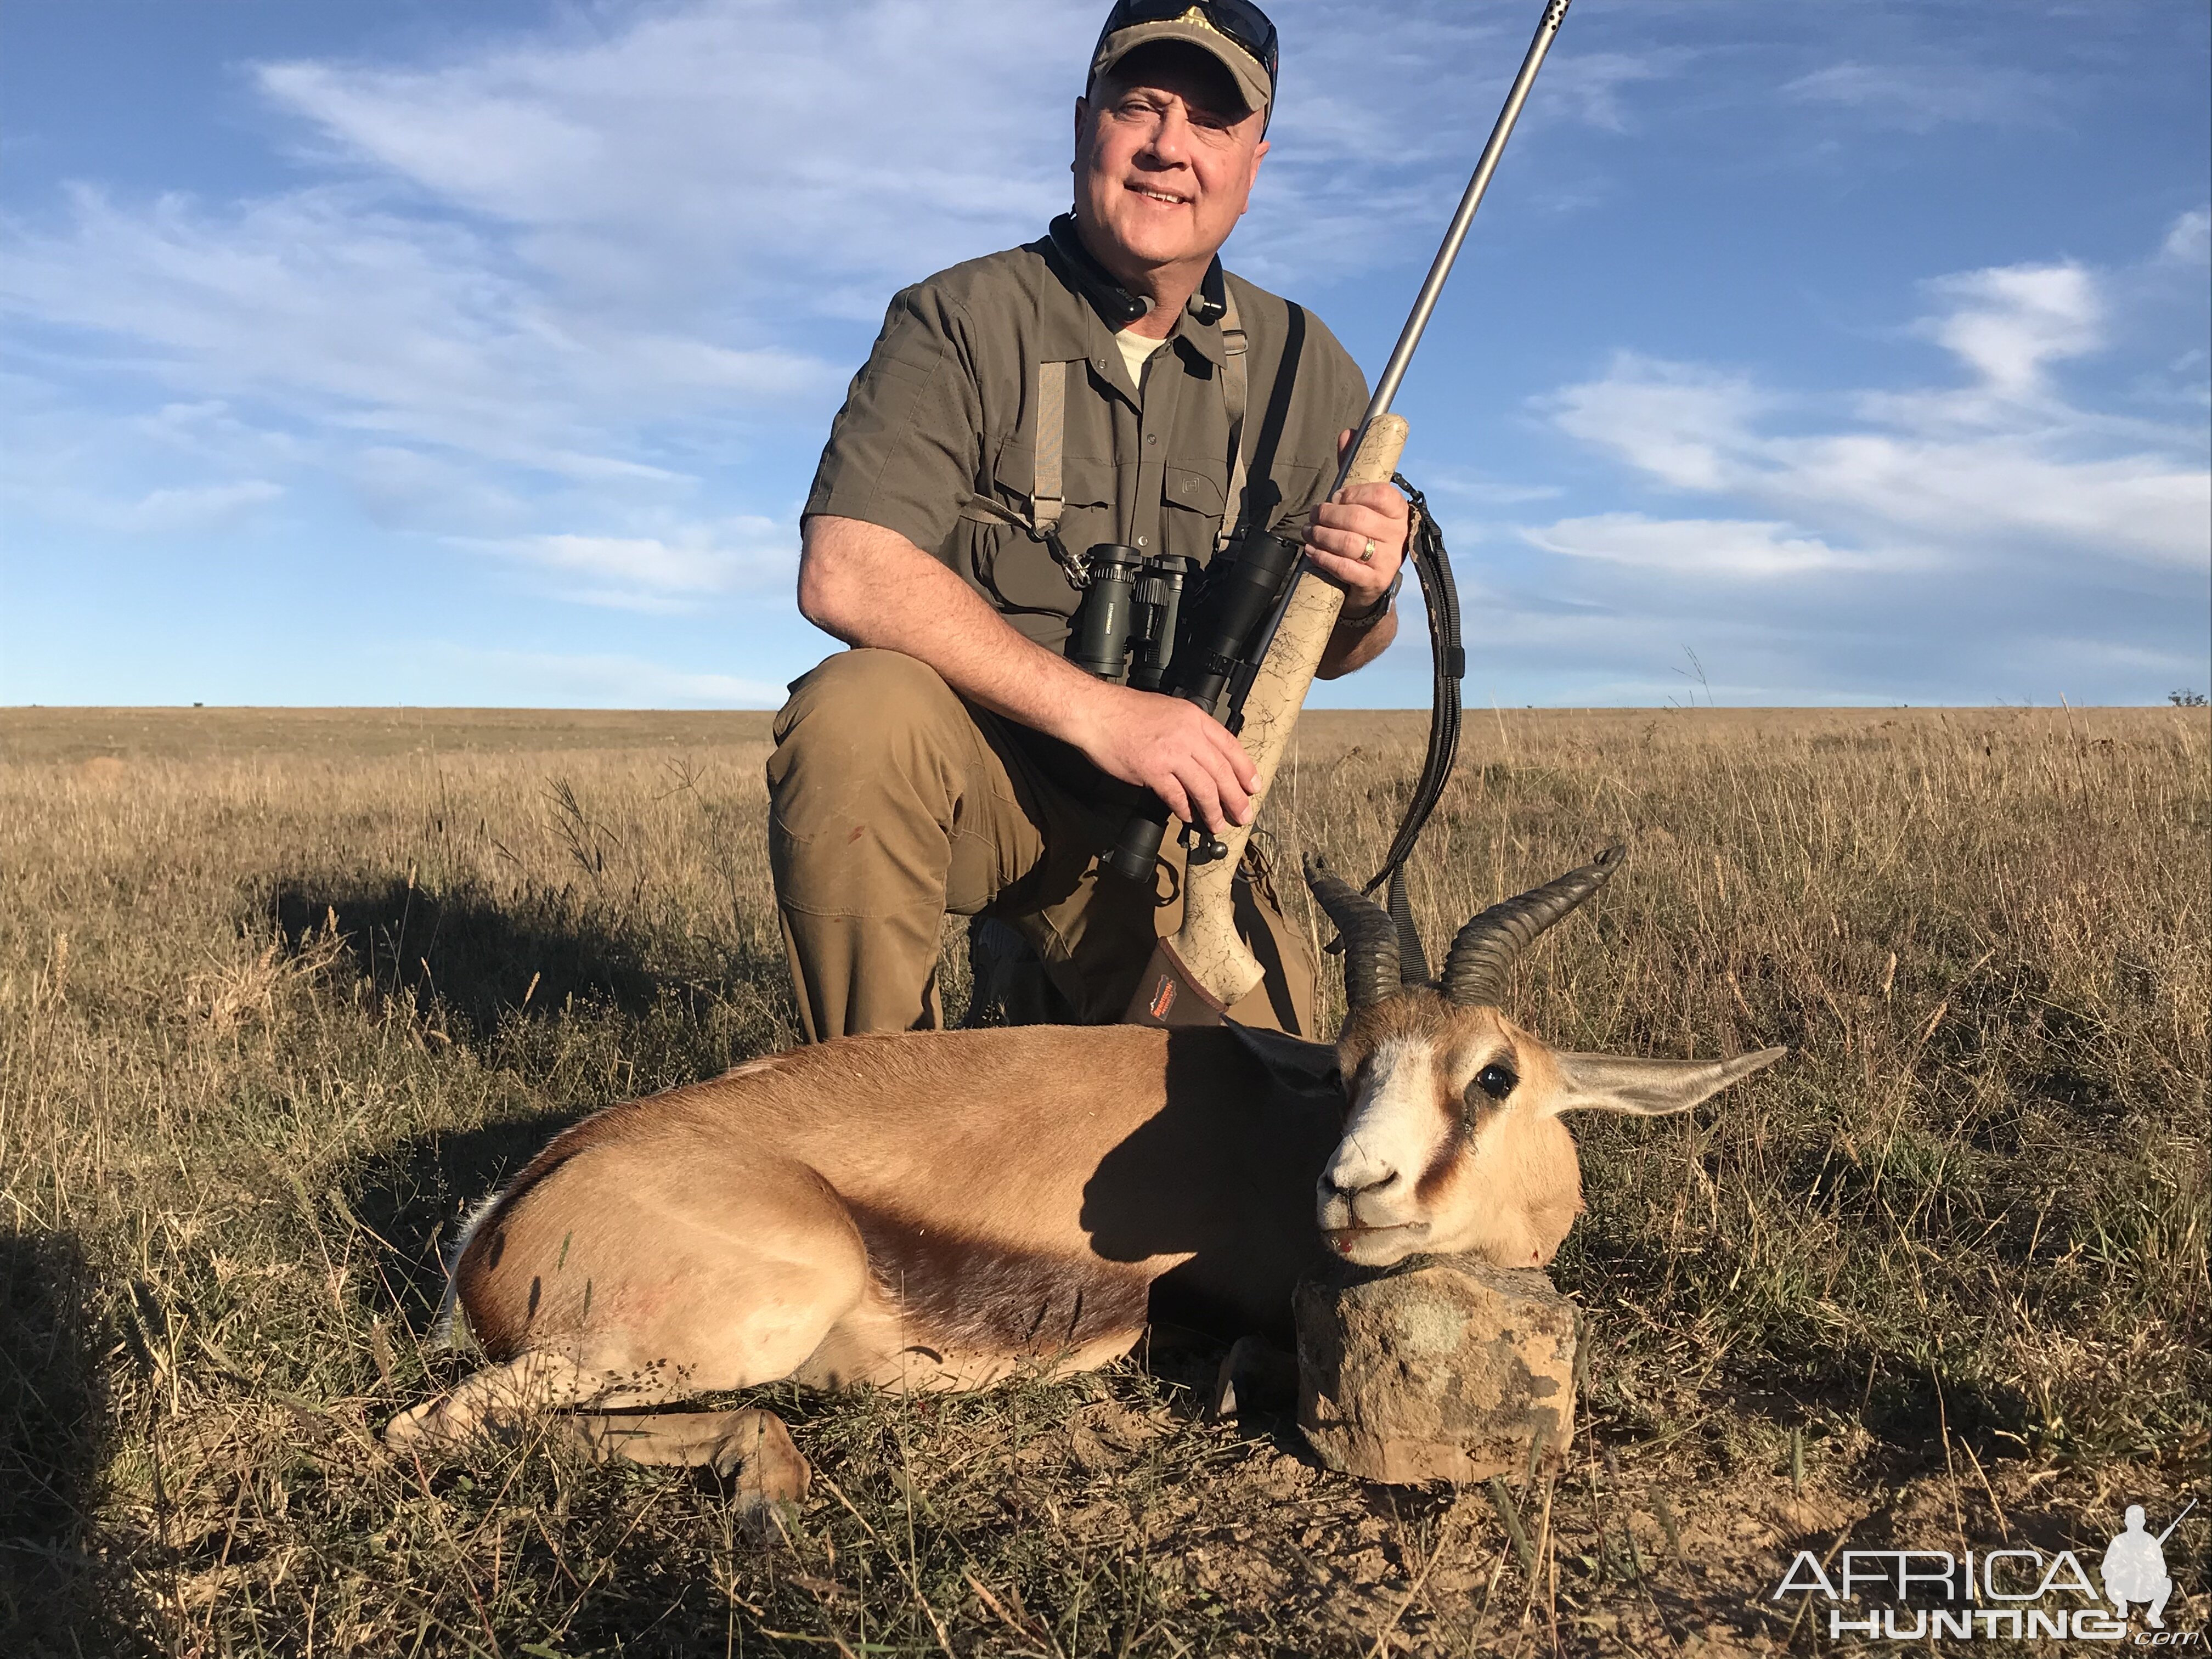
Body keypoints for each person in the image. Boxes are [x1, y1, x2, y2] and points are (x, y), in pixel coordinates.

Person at [770, 0, 1409, 1041]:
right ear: (1083, 127)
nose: (1168, 147)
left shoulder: (1309, 365)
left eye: (1211, 124)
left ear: (1253, 165)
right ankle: (871, 1111)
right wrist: (1103, 716)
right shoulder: (958, 317)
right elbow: (846, 568)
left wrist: (1368, 587)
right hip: (978, 781)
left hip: (1159, 838)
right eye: (1140, 106)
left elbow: (1347, 651)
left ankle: (1040, 987)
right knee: (856, 717)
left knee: (1273, 1095)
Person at [2102, 1505, 2172, 1627]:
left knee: (2167, 1583)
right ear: (2126, 1522)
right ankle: (2120, 1608)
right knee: (2111, 1583)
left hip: (2145, 1587)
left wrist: (2149, 1568)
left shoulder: (2150, 1542)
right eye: (2131, 1520)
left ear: (2143, 1522)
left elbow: (2162, 1570)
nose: (2135, 1523)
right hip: (2123, 1588)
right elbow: (2106, 1570)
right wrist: (2124, 1569)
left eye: (2138, 1520)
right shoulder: (2119, 1542)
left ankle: (2154, 1615)